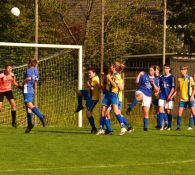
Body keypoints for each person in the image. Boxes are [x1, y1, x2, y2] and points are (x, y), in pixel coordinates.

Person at [97, 61, 126, 135]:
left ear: (114, 67)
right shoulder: (109, 74)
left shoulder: (117, 76)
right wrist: (104, 78)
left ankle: (123, 128)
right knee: (103, 111)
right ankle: (101, 128)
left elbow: (115, 85)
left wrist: (109, 79)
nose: (109, 68)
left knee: (116, 112)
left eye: (111, 66)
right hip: (107, 94)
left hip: (113, 94)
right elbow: (106, 84)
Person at [126, 65, 159, 131]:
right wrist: (139, 74)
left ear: (155, 71)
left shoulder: (155, 80)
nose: (150, 71)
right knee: (140, 96)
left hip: (148, 95)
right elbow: (137, 82)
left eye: (152, 70)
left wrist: (153, 84)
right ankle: (130, 108)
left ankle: (145, 128)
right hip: (140, 91)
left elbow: (157, 90)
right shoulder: (144, 76)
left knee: (146, 112)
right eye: (149, 69)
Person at [104, 63, 133, 135]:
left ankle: (127, 126)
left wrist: (114, 84)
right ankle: (109, 129)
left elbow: (121, 88)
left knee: (117, 112)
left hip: (117, 97)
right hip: (110, 95)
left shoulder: (118, 77)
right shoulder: (112, 75)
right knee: (107, 112)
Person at [23, 59, 47, 133]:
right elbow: (36, 80)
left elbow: (29, 78)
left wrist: (23, 82)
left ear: (30, 63)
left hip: (27, 89)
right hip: (31, 90)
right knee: (28, 107)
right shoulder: (36, 71)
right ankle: (29, 124)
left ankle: (42, 117)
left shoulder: (29, 69)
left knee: (29, 104)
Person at [75, 68, 101, 134]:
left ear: (94, 73)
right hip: (89, 95)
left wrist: (88, 84)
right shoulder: (93, 78)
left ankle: (94, 128)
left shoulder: (95, 79)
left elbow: (92, 88)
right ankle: (80, 105)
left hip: (94, 98)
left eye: (90, 73)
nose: (88, 74)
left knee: (88, 113)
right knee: (78, 92)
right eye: (88, 73)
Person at [174, 65, 195, 130]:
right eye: (181, 69)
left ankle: (192, 125)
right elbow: (178, 89)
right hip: (182, 99)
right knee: (179, 113)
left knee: (193, 113)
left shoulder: (190, 78)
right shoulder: (179, 79)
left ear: (186, 70)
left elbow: (194, 88)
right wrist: (173, 95)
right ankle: (178, 126)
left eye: (183, 69)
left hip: (190, 99)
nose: (182, 71)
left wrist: (191, 96)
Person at [158, 64, 175, 130]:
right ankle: (161, 126)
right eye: (165, 68)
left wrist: (169, 95)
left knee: (168, 112)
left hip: (169, 97)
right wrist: (157, 92)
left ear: (169, 69)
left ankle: (169, 125)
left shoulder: (172, 77)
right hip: (162, 96)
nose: (166, 69)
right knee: (161, 111)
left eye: (167, 68)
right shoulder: (161, 77)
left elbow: (173, 88)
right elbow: (160, 87)